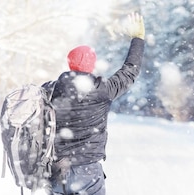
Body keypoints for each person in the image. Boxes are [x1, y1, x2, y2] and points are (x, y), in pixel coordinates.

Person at [41, 12, 145, 195]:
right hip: (88, 171)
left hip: (57, 170)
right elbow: (129, 72)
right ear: (92, 65)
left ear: (69, 64)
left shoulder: (50, 89)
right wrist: (138, 39)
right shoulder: (103, 90)